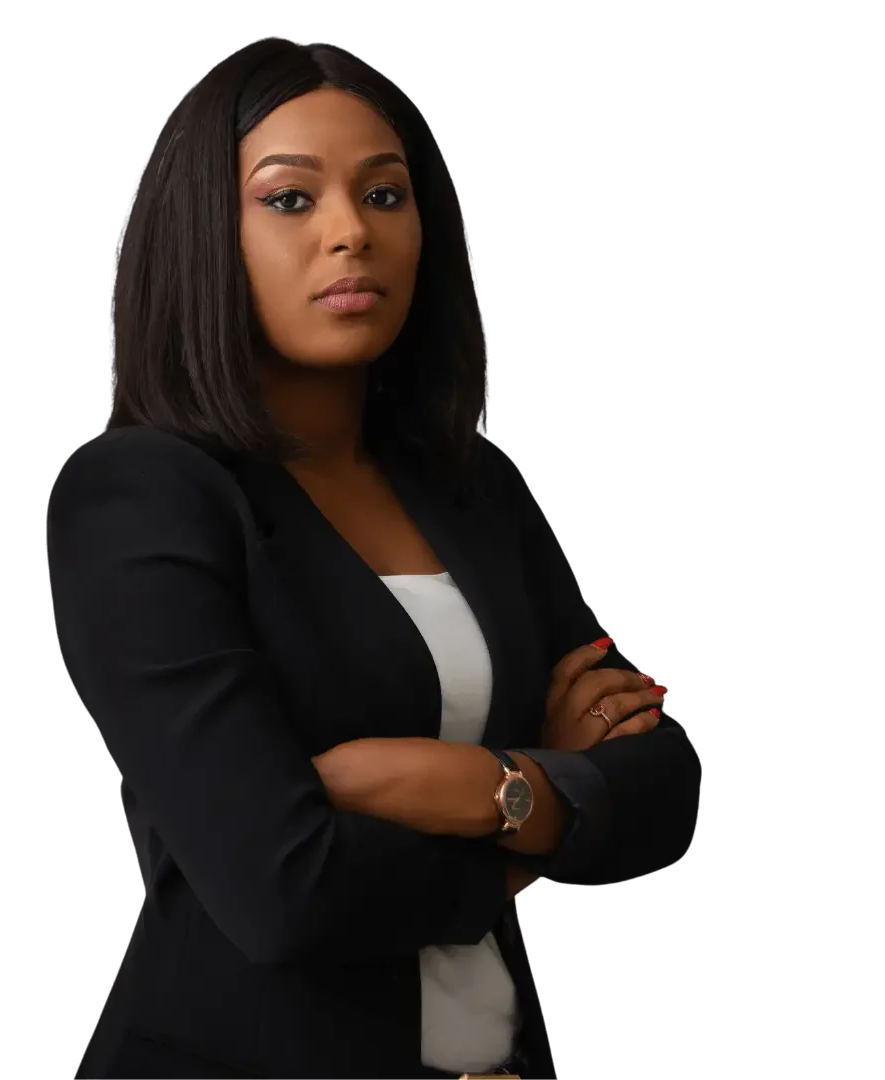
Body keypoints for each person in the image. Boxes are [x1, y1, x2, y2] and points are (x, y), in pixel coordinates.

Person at [46, 33, 702, 1080]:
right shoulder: (143, 496)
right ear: (205, 232)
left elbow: (663, 784)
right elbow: (284, 891)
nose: (350, 233)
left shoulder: (473, 486)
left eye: (386, 196)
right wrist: (545, 814)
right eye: (290, 199)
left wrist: (483, 788)